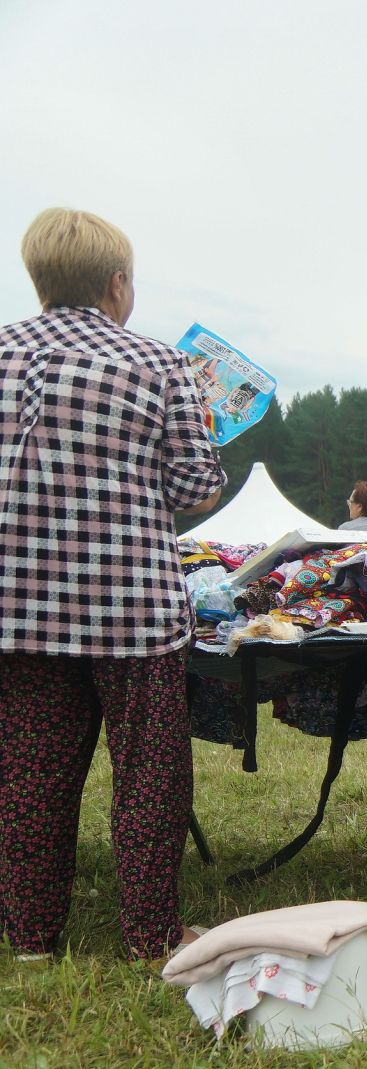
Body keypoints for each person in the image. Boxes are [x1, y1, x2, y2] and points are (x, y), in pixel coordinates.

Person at [0, 208, 225, 961]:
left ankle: (31, 936)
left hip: (18, 606)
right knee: (149, 776)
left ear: (39, 280)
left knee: (29, 773)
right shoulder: (158, 363)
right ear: (118, 284)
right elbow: (194, 488)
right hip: (131, 608)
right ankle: (152, 936)